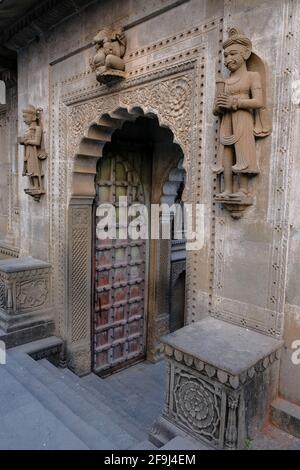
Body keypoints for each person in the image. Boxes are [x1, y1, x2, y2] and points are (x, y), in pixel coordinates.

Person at [213, 28, 269, 199]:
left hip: (242, 117)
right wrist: (219, 106)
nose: (228, 59)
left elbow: (258, 102)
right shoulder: (225, 82)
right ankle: (228, 188)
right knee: (226, 153)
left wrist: (235, 103)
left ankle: (243, 189)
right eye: (226, 56)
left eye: (232, 54)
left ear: (245, 54)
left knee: (242, 150)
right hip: (226, 120)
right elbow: (215, 110)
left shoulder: (252, 76)